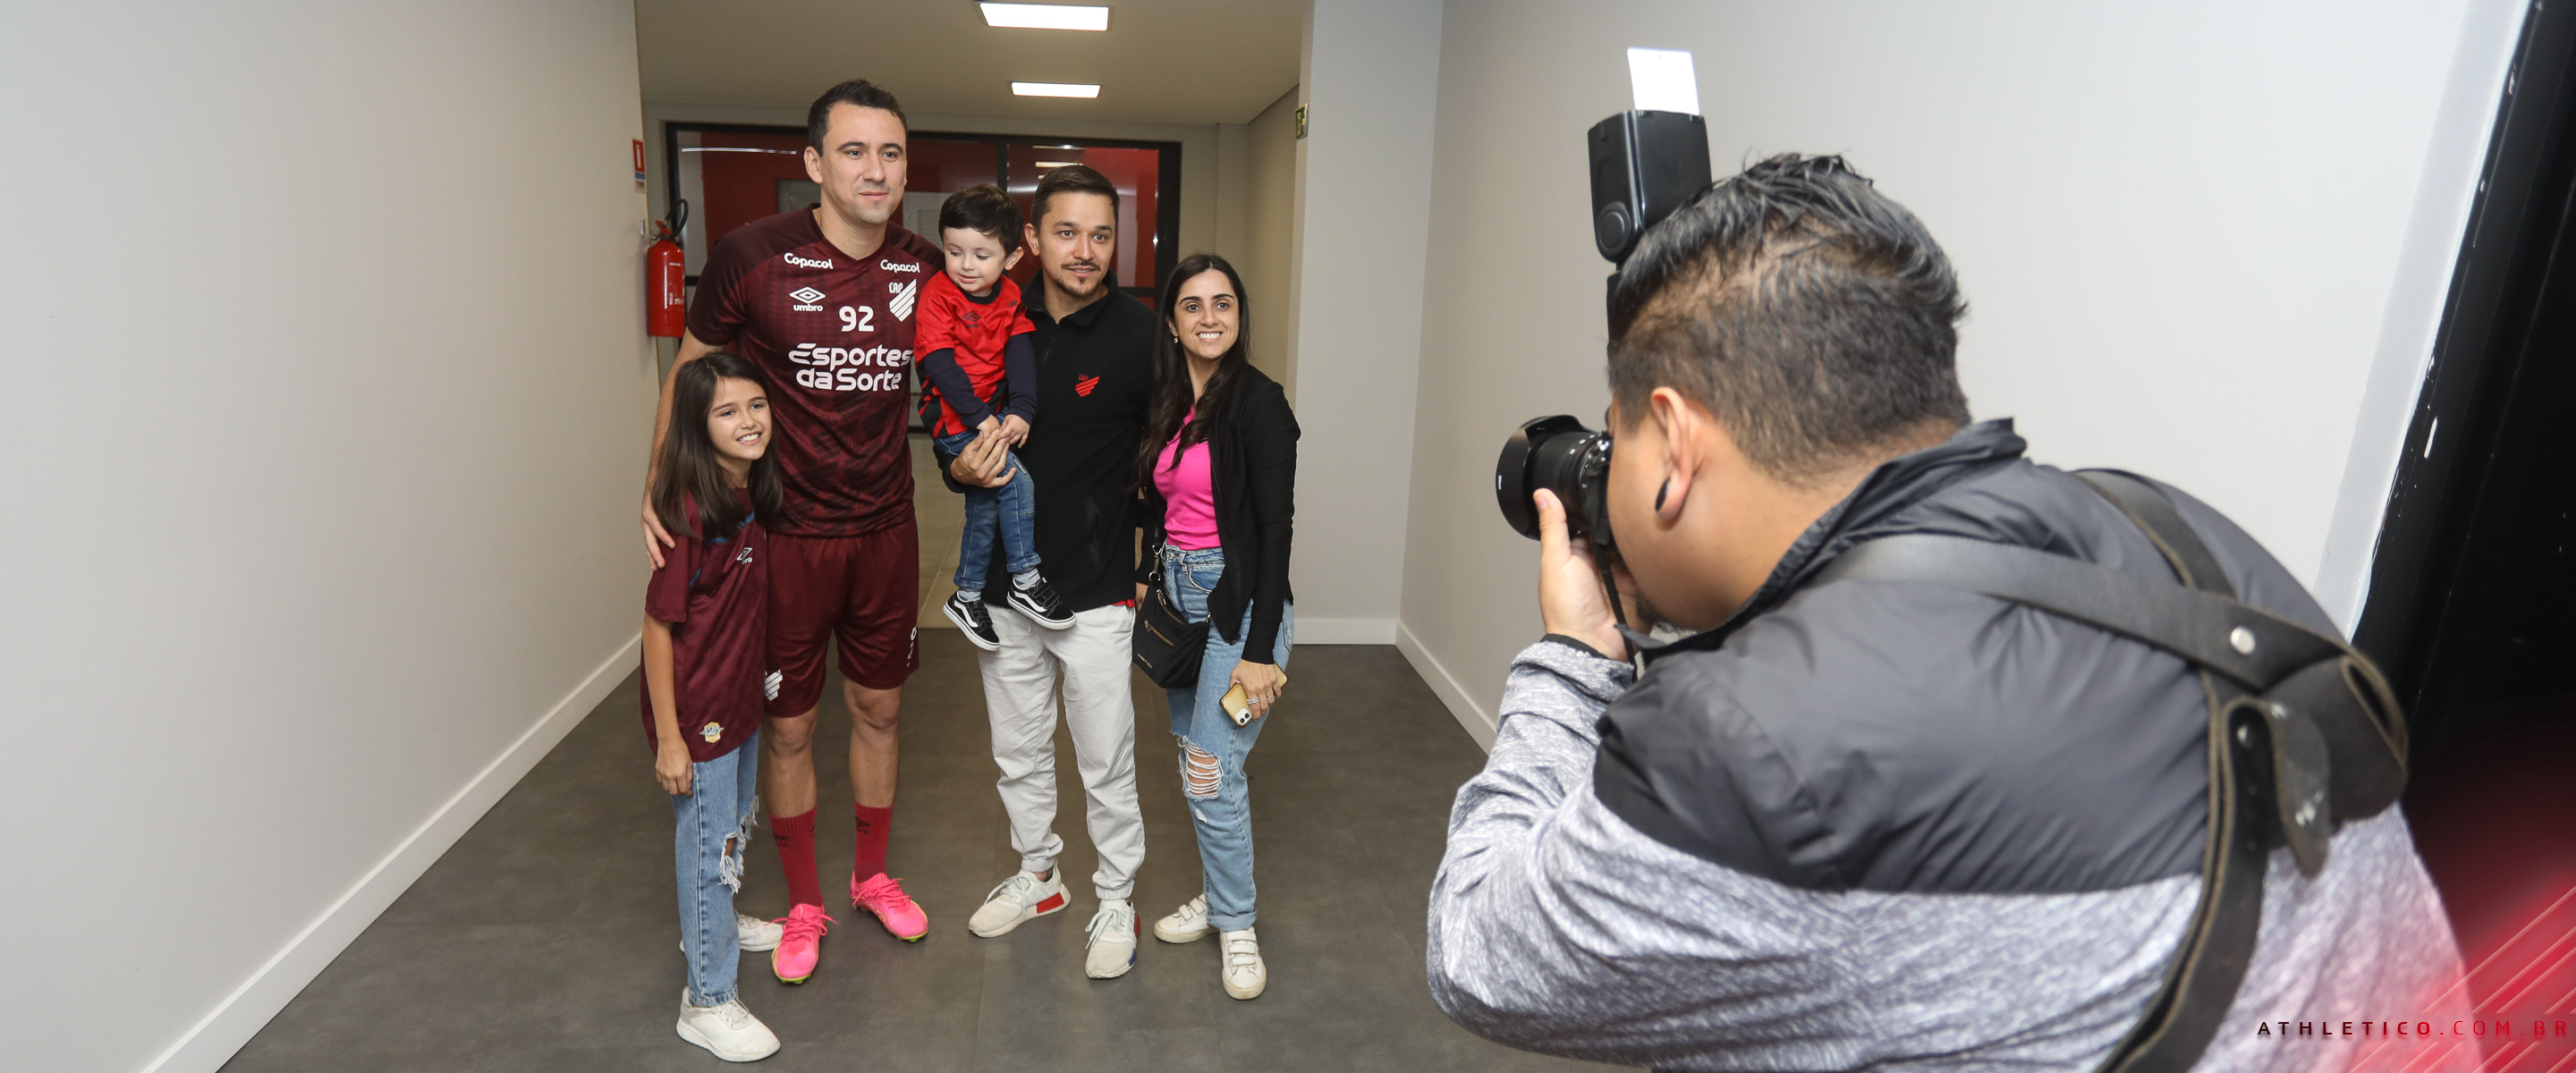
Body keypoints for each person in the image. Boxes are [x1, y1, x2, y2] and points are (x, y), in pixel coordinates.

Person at [1426, 155, 2470, 1070]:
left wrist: (1576, 656)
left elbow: (1480, 952)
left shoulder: (1752, 748)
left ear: (1676, 441)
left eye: (1620, 438)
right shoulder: (2175, 532)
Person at [641, 78, 942, 984]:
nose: (875, 170)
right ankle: (805, 900)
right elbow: (690, 375)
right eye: (853, 151)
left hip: (887, 530)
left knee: (881, 711)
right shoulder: (751, 256)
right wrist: (659, 490)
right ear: (814, 162)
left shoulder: (925, 266)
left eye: (890, 152)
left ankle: (872, 876)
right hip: (784, 538)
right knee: (790, 726)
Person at [938, 166, 1157, 981]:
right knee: (1018, 751)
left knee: (1106, 758)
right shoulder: (994, 312)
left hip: (1096, 586)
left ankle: (1116, 894)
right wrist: (954, 466)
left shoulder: (1141, 335)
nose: (1085, 250)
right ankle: (1040, 876)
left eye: (1101, 234)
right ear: (1031, 239)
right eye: (1067, 232)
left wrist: (1149, 563)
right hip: (1004, 586)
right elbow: (944, 415)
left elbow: (1169, 458)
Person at [1134, 253, 1298, 1001]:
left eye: (1223, 303)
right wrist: (1149, 574)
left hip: (1239, 604)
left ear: (1239, 315)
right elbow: (1158, 502)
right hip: (1180, 596)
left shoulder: (1260, 403)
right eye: (1193, 305)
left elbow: (1274, 530)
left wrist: (1259, 651)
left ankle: (1236, 923)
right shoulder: (1171, 400)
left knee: (1209, 768)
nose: (1209, 317)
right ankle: (1218, 895)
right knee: (1195, 760)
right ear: (1172, 322)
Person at [642, 352, 786, 1061]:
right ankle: (706, 998)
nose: (748, 421)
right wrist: (672, 740)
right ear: (698, 429)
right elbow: (656, 627)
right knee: (707, 845)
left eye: (756, 405)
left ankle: (714, 923)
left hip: (738, 696)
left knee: (728, 830)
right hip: (697, 713)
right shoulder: (689, 511)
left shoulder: (747, 489)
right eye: (727, 412)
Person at [915, 183, 1074, 649]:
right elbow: (940, 365)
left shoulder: (1009, 295)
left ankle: (967, 595)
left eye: (981, 255)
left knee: (986, 502)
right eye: (954, 251)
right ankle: (1026, 578)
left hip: (991, 414)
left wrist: (1022, 409)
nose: (966, 264)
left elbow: (1019, 353)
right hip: (954, 418)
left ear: (1010, 257)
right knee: (1017, 483)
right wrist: (981, 417)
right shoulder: (938, 295)